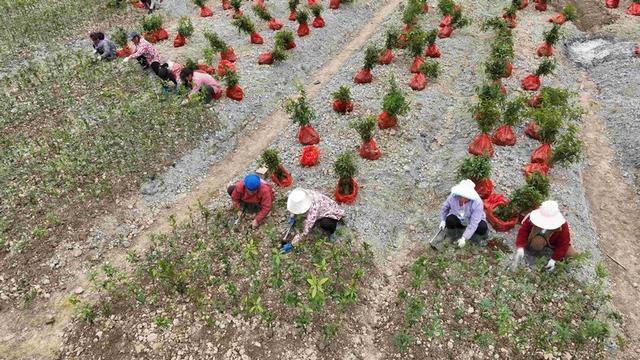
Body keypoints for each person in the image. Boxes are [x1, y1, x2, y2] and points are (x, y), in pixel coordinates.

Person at [513, 200, 577, 272]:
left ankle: (561, 265)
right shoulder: (531, 217)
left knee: (572, 254)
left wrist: (554, 259)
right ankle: (532, 253)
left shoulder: (563, 225)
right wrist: (520, 246)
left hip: (553, 243)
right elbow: (523, 231)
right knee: (537, 243)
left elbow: (564, 243)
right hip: (538, 238)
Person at [282, 188, 346, 253]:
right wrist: (292, 217)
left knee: (326, 224)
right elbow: (295, 206)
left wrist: (292, 244)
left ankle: (332, 231)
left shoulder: (313, 210)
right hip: (322, 206)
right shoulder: (302, 196)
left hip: (329, 212)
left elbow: (305, 232)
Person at [435, 179, 488, 248]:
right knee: (450, 220)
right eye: (461, 195)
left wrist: (464, 238)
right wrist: (443, 220)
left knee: (482, 227)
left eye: (464, 196)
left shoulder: (478, 203)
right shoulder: (453, 196)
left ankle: (472, 238)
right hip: (459, 217)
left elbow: (474, 223)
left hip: (471, 219)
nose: (461, 198)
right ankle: (454, 235)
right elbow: (445, 207)